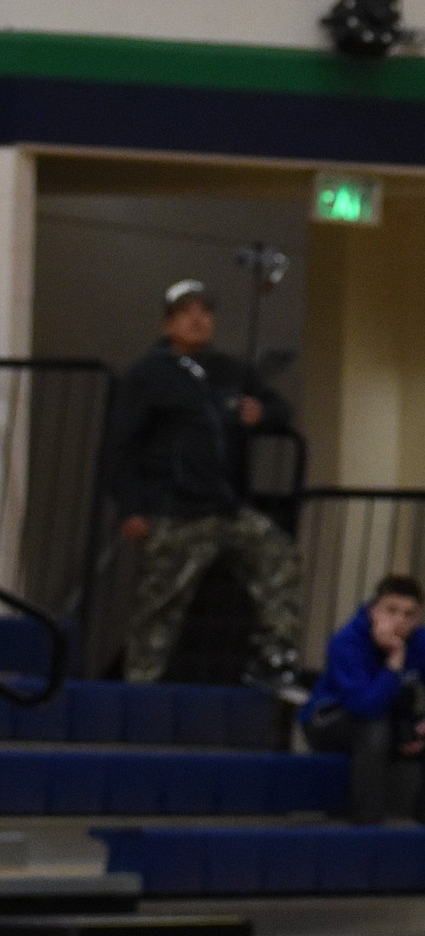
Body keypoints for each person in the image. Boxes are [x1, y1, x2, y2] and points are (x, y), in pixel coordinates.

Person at [105, 280, 306, 697]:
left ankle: (271, 659)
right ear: (168, 323)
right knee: (160, 604)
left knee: (278, 556)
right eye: (187, 312)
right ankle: (139, 688)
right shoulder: (147, 375)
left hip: (225, 505)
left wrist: (262, 413)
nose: (198, 319)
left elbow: (280, 409)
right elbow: (120, 446)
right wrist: (130, 507)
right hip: (172, 507)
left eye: (205, 311)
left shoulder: (232, 371)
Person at [301, 574, 425, 822]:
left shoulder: (424, 642)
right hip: (330, 720)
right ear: (373, 610)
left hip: (389, 716)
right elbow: (365, 706)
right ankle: (367, 825)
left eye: (409, 614)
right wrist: (394, 661)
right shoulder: (347, 641)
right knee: (374, 728)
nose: (399, 621)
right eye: (391, 611)